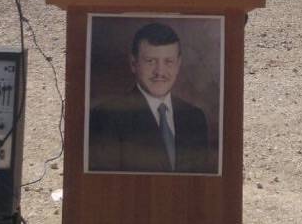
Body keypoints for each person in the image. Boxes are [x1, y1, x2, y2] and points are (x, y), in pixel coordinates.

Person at [88, 22, 216, 173]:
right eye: (150, 61)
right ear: (133, 64)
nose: (160, 72)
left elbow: (200, 180)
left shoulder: (195, 118)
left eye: (168, 61)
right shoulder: (106, 116)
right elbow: (104, 181)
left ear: (178, 64)